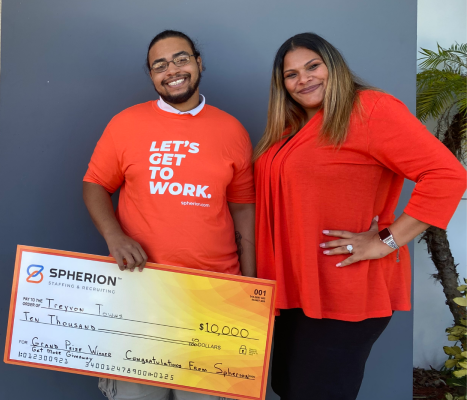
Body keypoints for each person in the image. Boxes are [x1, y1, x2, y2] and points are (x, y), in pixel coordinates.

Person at [254, 32, 467, 400]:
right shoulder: (292, 127)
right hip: (292, 289)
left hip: (342, 289)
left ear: (333, 66)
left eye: (312, 66)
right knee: (288, 389)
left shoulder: (371, 108)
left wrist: (386, 241)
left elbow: (448, 175)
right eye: (291, 74)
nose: (303, 79)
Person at [83, 30, 255, 400]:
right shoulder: (125, 124)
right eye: (159, 65)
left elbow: (243, 209)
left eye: (180, 59)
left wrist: (253, 287)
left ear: (198, 63)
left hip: (216, 294)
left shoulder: (232, 130)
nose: (171, 70)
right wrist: (115, 237)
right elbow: (95, 184)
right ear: (151, 76)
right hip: (141, 290)